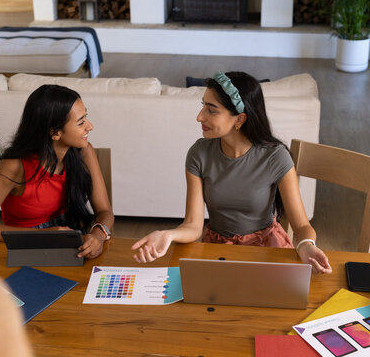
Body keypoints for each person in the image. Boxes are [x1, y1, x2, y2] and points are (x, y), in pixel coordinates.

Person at [132, 71, 332, 274]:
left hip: (267, 248)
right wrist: (168, 235)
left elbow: (301, 225)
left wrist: (306, 244)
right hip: (216, 248)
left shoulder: (275, 157)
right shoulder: (198, 154)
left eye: (211, 110)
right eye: (203, 105)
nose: (199, 116)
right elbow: (193, 225)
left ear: (239, 119)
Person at [0, 84, 114, 259]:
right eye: (81, 122)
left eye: (85, 117)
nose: (90, 126)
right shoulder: (14, 167)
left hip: (72, 242)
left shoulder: (84, 152)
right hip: (25, 246)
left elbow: (105, 211)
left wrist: (98, 234)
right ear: (55, 132)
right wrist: (43, 236)